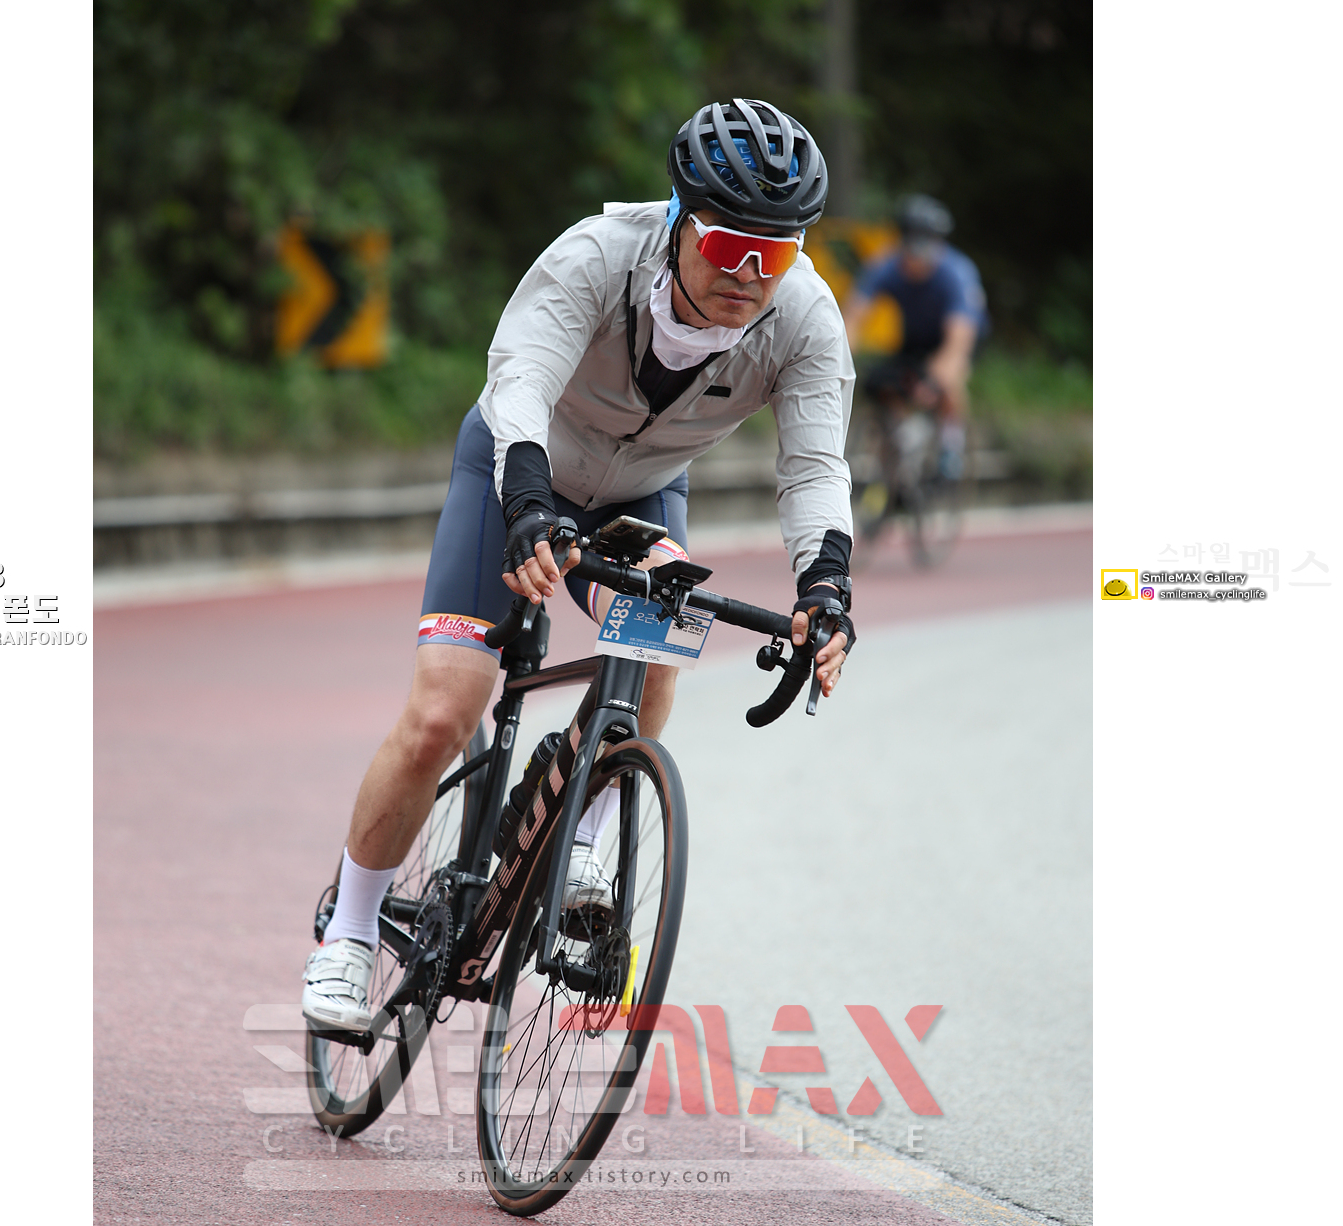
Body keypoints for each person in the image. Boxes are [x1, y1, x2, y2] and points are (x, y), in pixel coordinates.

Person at [302, 98, 858, 1033]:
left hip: (641, 494)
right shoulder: (598, 256)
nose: (749, 276)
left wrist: (826, 587)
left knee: (661, 642)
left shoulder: (804, 316)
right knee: (443, 712)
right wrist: (528, 503)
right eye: (729, 248)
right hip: (516, 469)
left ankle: (584, 846)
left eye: (776, 255)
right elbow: (519, 376)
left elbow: (814, 466)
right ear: (680, 222)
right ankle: (349, 936)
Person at [841, 194, 988, 478]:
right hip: (915, 336)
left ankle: (951, 446)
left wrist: (934, 382)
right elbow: (854, 317)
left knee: (949, 379)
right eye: (911, 240)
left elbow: (957, 342)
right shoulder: (886, 266)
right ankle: (899, 449)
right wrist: (840, 360)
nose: (918, 252)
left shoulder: (957, 274)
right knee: (884, 383)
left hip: (959, 335)